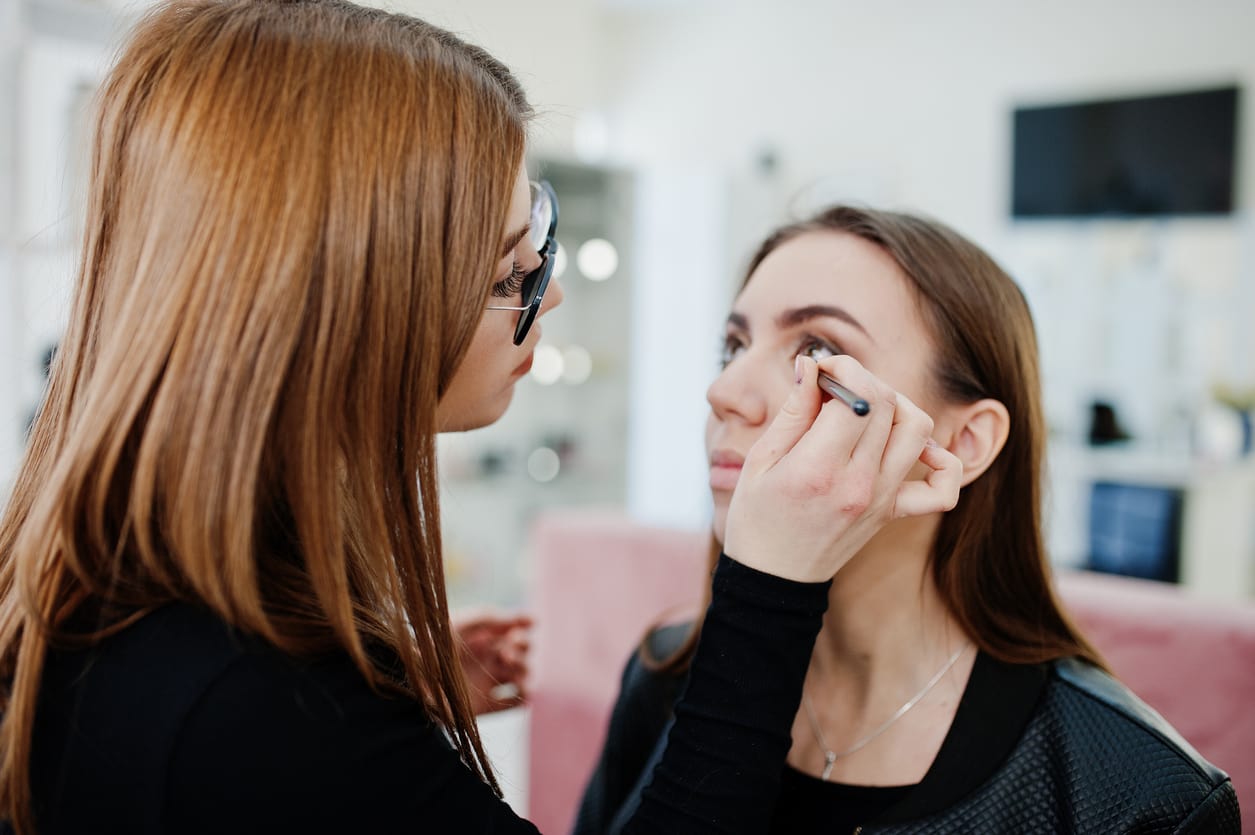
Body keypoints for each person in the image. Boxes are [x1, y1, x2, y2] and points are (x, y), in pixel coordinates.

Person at [0, 3, 963, 834]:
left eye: (813, 357)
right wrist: (768, 588)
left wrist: (374, 694)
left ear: (966, 441)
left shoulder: (96, 601)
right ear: (359, 294)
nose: (541, 303)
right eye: (510, 273)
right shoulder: (255, 706)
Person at [574, 206, 1241, 834]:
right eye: (733, 344)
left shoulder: (1136, 794)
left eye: (814, 352)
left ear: (964, 443)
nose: (723, 392)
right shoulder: (664, 677)